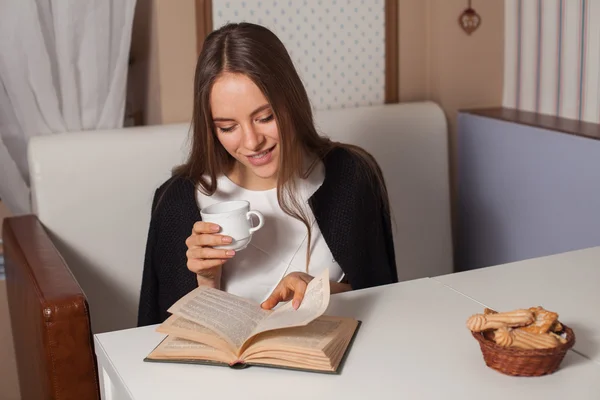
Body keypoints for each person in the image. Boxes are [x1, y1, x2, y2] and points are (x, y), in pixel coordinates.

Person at [137, 22, 398, 327]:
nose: (251, 142)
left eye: (265, 117)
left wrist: (317, 291)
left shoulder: (351, 177)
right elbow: (157, 338)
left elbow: (385, 299)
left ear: (292, 101)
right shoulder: (177, 203)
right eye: (227, 127)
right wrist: (206, 283)